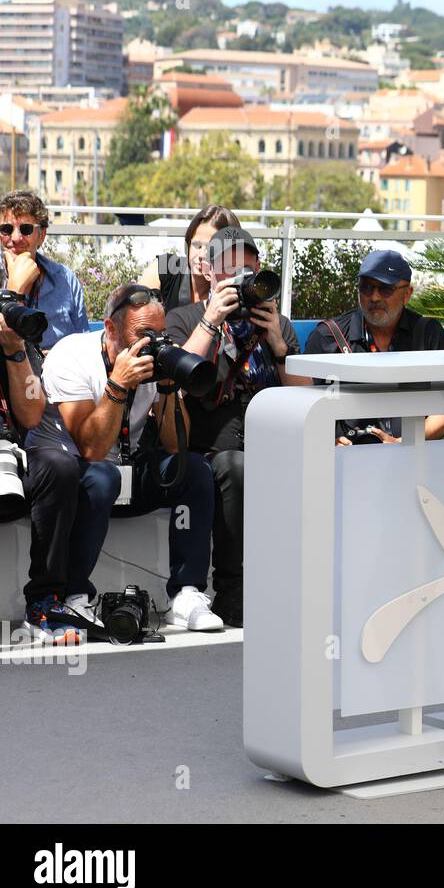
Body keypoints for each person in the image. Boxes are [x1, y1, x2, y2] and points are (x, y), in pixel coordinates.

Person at [28, 283, 219, 632]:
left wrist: (167, 387)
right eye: (143, 334)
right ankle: (74, 596)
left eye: (159, 334)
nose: (152, 344)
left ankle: (186, 594)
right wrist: (118, 385)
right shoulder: (72, 355)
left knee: (192, 469)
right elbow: (90, 450)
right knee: (103, 476)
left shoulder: (152, 359)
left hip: (128, 474)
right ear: (110, 328)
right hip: (78, 478)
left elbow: (177, 445)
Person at [166, 225, 310, 626]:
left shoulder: (275, 323)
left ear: (260, 269)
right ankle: (233, 590)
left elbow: (306, 395)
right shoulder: (185, 318)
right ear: (209, 272)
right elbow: (175, 376)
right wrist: (212, 322)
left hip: (274, 444)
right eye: (230, 273)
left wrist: (279, 346)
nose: (240, 282)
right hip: (212, 449)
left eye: (247, 272)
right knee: (236, 466)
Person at [0, 249, 81, 644]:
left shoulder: (11, 335)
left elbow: (29, 414)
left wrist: (13, 349)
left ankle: (45, 602)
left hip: (9, 447)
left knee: (60, 468)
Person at [303, 249, 444, 444]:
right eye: (366, 288)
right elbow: (304, 407)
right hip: (342, 459)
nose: (374, 297)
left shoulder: (427, 333)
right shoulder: (329, 335)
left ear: (407, 293)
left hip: (411, 459)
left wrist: (403, 443)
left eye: (385, 288)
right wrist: (330, 439)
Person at [0, 191, 89, 351]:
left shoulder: (64, 279)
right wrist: (16, 290)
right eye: (6, 229)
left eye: (26, 229)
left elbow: (83, 344)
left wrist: (58, 359)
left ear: (42, 235)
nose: (16, 238)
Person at [141, 204, 242, 313]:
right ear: (187, 246)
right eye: (197, 245)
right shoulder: (164, 268)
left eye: (211, 248)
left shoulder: (237, 289)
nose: (202, 255)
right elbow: (133, 313)